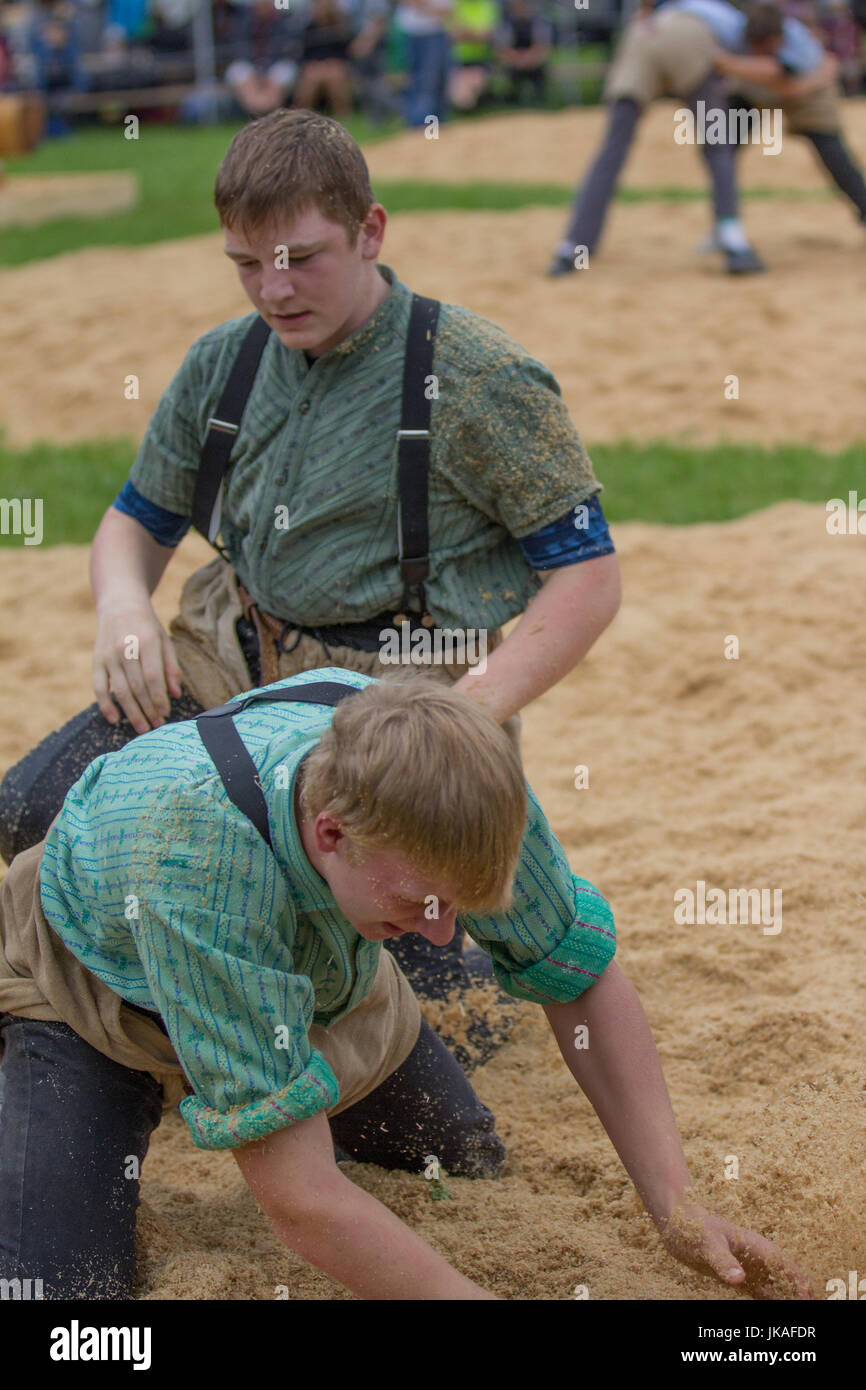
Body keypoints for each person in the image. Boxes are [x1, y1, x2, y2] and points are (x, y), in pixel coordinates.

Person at [0, 109, 621, 1055]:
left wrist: (473, 713)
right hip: (226, 662)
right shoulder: (224, 360)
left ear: (371, 230)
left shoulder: (479, 375)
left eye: (301, 257)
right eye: (247, 264)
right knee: (30, 811)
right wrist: (123, 607)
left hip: (393, 711)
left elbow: (588, 579)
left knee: (456, 1029)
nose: (273, 289)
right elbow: (138, 520)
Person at [0, 669, 815, 1300]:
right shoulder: (197, 861)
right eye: (420, 904)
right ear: (331, 832)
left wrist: (675, 1207)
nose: (442, 936)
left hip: (318, 974)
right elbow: (301, 1198)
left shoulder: (457, 779)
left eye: (459, 906)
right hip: (96, 997)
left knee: (457, 1157)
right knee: (62, 1293)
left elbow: (580, 978)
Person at [547, 0, 773, 277]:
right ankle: (733, 241)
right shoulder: (736, 24)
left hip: (644, 35)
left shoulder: (677, 7)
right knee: (718, 144)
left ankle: (572, 248)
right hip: (689, 40)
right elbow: (740, 68)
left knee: (612, 149)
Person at [712, 0, 866, 233]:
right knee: (723, 147)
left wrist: (727, 64)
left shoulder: (798, 43)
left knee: (834, 154)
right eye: (756, 46)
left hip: (808, 93)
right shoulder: (734, 31)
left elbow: (789, 88)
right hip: (756, 88)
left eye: (767, 46)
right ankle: (725, 222)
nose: (760, 52)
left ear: (779, 38)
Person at [394, 0, 453, 125]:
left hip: (438, 30)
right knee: (425, 83)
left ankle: (437, 126)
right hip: (419, 32)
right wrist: (434, 10)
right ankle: (421, 126)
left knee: (439, 82)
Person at [294, 0, 355, 117]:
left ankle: (344, 114)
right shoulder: (307, 28)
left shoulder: (341, 27)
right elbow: (303, 54)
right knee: (311, 76)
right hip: (314, 66)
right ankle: (300, 116)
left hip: (336, 65)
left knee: (335, 75)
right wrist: (316, 64)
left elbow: (346, 52)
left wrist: (332, 63)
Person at [494, 0, 554, 108]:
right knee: (510, 70)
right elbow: (502, 48)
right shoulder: (506, 24)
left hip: (533, 62)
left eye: (524, 4)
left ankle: (539, 101)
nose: (521, 7)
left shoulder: (538, 22)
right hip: (513, 62)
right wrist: (517, 59)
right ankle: (512, 101)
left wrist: (528, 58)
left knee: (540, 69)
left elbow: (542, 46)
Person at [446, 0, 500, 112]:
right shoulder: (453, 5)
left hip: (480, 61)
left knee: (470, 91)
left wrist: (465, 33)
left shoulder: (487, 5)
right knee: (461, 98)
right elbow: (451, 35)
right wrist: (476, 34)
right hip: (456, 62)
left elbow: (487, 35)